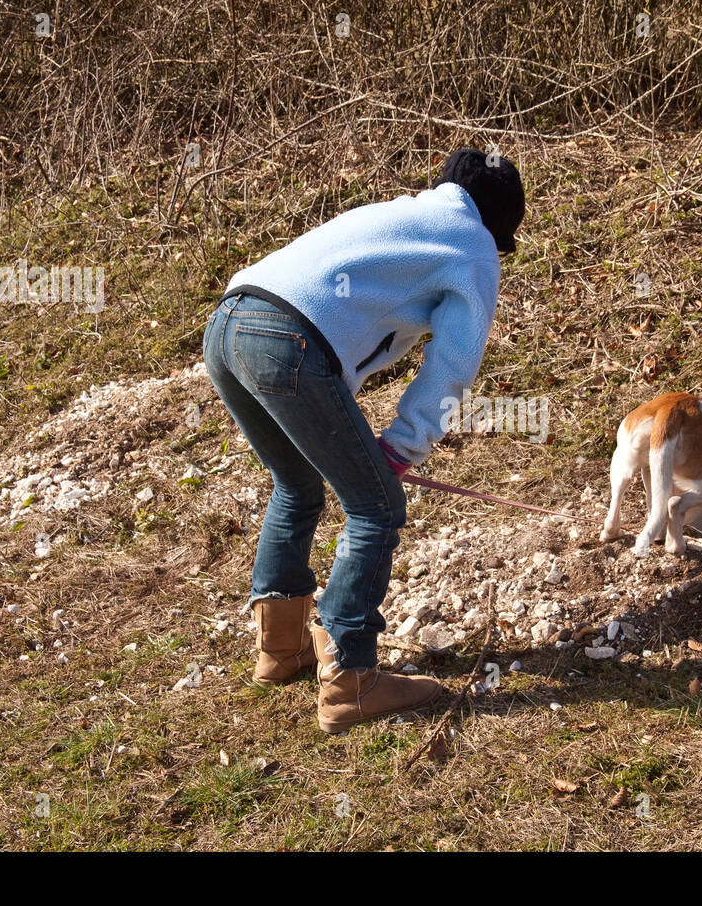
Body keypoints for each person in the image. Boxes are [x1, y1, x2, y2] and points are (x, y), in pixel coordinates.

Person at [202, 147, 524, 732]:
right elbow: (452, 366)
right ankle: (350, 679)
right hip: (285, 341)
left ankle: (281, 650)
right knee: (375, 506)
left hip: (229, 321)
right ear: (496, 225)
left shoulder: (401, 217)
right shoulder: (472, 245)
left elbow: (335, 306)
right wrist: (402, 447)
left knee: (295, 486)